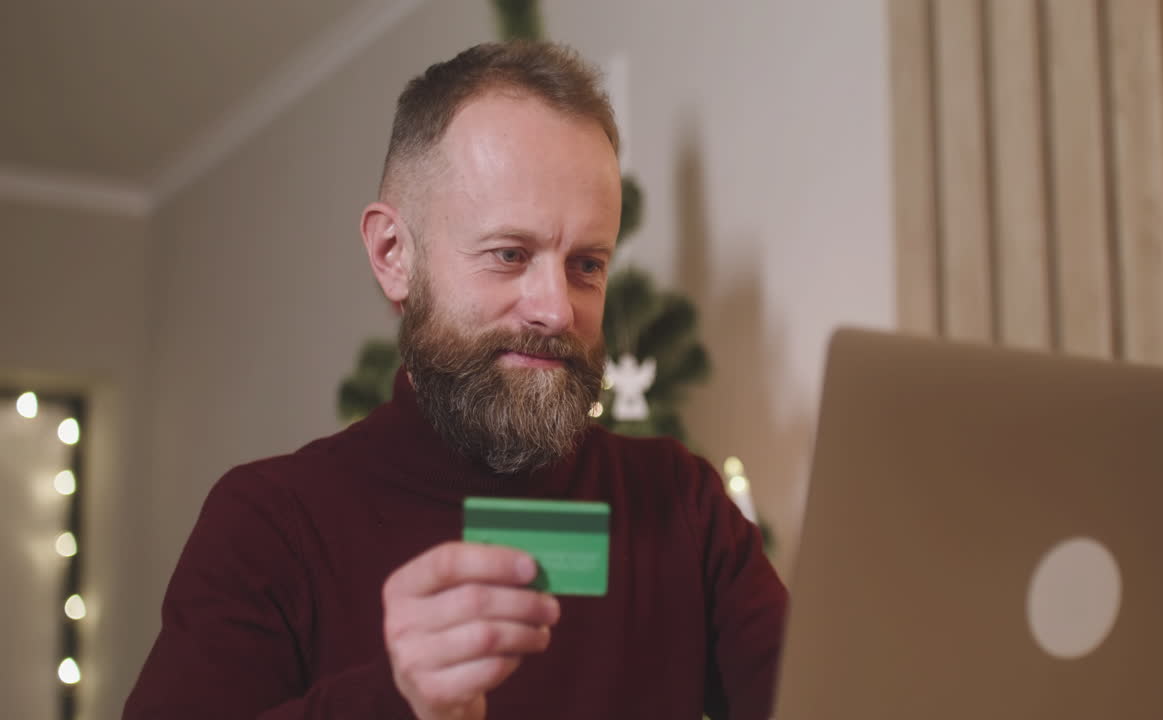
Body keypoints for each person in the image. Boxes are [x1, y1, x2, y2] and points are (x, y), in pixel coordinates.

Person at [124, 41, 786, 720]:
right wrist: (395, 702)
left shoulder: (682, 504)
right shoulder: (269, 523)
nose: (557, 310)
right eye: (509, 254)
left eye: (586, 265)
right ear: (393, 255)